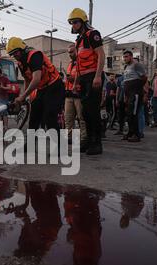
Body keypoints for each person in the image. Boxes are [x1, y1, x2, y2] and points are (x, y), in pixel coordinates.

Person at [7, 37, 65, 135]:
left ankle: (59, 147)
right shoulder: (21, 63)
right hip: (42, 89)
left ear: (22, 49)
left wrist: (22, 96)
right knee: (34, 117)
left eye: (15, 52)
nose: (14, 55)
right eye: (12, 53)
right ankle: (31, 145)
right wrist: (25, 97)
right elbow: (27, 80)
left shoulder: (34, 55)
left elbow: (36, 79)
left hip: (54, 86)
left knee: (49, 117)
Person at [68, 8, 105, 155]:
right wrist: (76, 82)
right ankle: (89, 141)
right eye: (71, 23)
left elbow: (101, 55)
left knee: (92, 111)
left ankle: (97, 143)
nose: (73, 25)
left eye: (76, 22)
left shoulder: (92, 34)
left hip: (92, 77)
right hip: (83, 79)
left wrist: (97, 76)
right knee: (84, 113)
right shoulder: (79, 41)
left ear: (83, 21)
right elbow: (78, 66)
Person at [64, 44, 88, 149]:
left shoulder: (82, 63)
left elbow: (84, 78)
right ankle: (70, 137)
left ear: (77, 51)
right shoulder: (70, 64)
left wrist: (73, 79)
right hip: (69, 94)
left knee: (81, 118)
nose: (70, 54)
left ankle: (84, 138)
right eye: (69, 52)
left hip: (79, 94)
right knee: (68, 118)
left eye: (72, 51)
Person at [122, 51, 148, 143]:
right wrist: (125, 96)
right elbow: (125, 82)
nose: (125, 58)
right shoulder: (126, 67)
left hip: (135, 93)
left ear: (131, 57)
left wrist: (138, 87)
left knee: (134, 114)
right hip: (128, 94)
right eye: (124, 57)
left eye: (127, 56)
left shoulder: (137, 65)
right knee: (129, 114)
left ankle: (136, 135)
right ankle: (130, 133)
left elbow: (144, 77)